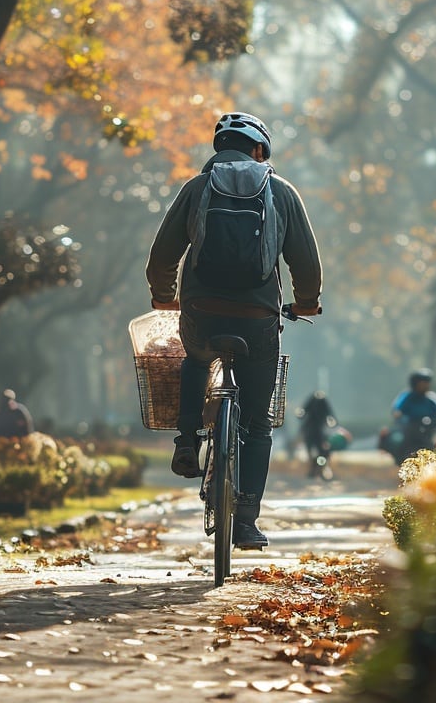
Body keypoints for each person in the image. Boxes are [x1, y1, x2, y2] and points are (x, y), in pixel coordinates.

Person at [146, 111, 323, 550]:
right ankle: (245, 521)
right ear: (260, 150)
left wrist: (164, 295)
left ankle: (187, 439)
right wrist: (306, 302)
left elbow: (162, 255)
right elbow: (305, 261)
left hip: (202, 311)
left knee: (196, 357)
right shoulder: (280, 192)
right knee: (258, 425)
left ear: (218, 148)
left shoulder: (196, 189)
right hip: (258, 319)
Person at [384, 369, 436, 465]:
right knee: (398, 441)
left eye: (427, 383)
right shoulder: (407, 397)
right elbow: (396, 411)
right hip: (410, 429)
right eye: (422, 383)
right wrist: (399, 415)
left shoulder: (432, 398)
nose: (425, 386)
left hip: (428, 430)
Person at [299, 390, 337, 478]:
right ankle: (317, 469)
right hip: (316, 432)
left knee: (319, 453)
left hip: (314, 432)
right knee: (321, 453)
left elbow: (301, 414)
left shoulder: (314, 402)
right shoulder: (321, 403)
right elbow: (331, 417)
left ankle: (317, 469)